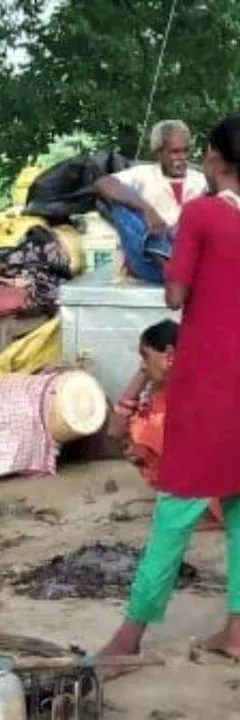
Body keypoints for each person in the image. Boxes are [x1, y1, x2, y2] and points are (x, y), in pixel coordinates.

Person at [99, 116, 240, 668]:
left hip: (211, 380)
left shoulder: (205, 213)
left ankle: (129, 638)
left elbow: (175, 295)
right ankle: (235, 632)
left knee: (176, 506)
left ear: (212, 156)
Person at [109, 320, 223, 530]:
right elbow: (115, 430)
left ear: (170, 354)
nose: (142, 364)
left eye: (145, 355)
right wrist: (144, 373)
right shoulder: (165, 389)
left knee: (147, 434)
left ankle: (203, 512)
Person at [94, 119, 208, 283]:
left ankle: (174, 264)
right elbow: (103, 184)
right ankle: (163, 258)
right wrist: (147, 210)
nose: (182, 157)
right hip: (151, 265)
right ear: (159, 152)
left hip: (188, 260)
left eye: (185, 151)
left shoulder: (201, 180)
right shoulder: (143, 174)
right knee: (119, 205)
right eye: (175, 152)